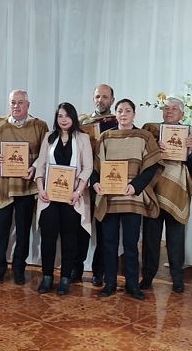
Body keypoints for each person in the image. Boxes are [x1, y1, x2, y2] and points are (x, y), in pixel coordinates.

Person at [91, 99, 162, 300]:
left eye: (128, 110)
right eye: (120, 111)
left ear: (134, 114)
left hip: (133, 198)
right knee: (109, 244)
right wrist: (95, 183)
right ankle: (110, 283)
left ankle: (132, 285)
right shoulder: (106, 137)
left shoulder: (144, 136)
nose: (123, 114)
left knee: (131, 245)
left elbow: (151, 166)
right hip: (110, 197)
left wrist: (136, 186)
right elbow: (95, 166)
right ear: (115, 114)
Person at [0, 90, 48, 285]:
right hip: (4, 187)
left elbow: (46, 153)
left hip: (26, 187)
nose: (16, 106)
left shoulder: (39, 126)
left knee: (23, 231)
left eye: (20, 103)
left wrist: (34, 167)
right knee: (0, 231)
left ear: (28, 105)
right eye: (13, 102)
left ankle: (19, 268)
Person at [139, 97, 192, 294]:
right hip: (154, 190)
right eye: (166, 108)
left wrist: (189, 153)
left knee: (176, 239)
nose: (169, 111)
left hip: (177, 192)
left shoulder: (191, 134)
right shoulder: (151, 131)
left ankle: (177, 278)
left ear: (182, 114)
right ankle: (147, 276)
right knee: (150, 238)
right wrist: (154, 147)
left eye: (174, 109)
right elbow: (141, 157)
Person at [34, 102, 93, 295]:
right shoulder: (49, 138)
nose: (63, 119)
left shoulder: (83, 138)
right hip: (49, 196)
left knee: (70, 238)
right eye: (60, 116)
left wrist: (78, 192)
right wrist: (41, 188)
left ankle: (65, 277)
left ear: (73, 118)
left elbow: (88, 168)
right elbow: (41, 165)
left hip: (72, 198)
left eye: (67, 115)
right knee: (48, 238)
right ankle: (47, 276)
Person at [75, 84, 118, 286]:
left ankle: (98, 271)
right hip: (83, 181)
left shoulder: (118, 123)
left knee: (103, 229)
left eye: (105, 97)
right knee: (80, 228)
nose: (100, 100)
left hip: (105, 182)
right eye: (97, 97)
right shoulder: (82, 122)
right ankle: (76, 267)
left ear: (112, 99)